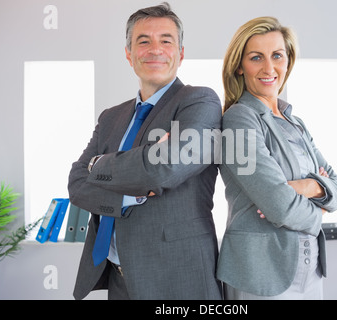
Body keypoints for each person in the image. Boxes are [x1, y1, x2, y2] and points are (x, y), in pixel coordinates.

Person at [68, 2, 222, 300]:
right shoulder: (111, 117)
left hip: (178, 277)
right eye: (144, 41)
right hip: (119, 277)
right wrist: (132, 192)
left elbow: (165, 168)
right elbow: (76, 185)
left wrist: (97, 165)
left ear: (181, 53)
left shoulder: (199, 101)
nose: (155, 49)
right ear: (129, 53)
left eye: (166, 40)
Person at [216, 16, 337, 300]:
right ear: (239, 65)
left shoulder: (294, 121)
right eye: (256, 58)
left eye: (277, 55)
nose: (269, 67)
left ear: (288, 61)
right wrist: (320, 208)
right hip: (260, 272)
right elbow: (279, 206)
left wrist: (309, 187)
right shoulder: (239, 119)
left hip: (310, 270)